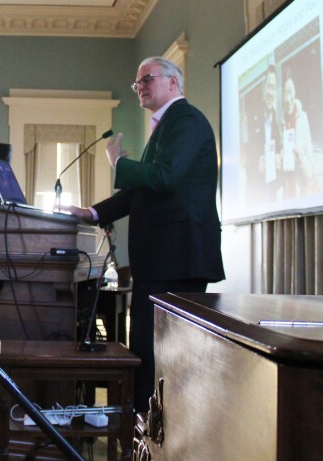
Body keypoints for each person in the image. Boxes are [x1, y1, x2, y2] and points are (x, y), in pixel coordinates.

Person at [61, 56, 225, 413]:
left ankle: (156, 432)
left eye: (147, 79)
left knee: (165, 358)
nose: (141, 87)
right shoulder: (166, 126)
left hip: (178, 260)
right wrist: (92, 213)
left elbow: (163, 178)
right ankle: (143, 429)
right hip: (162, 261)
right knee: (147, 353)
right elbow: (143, 191)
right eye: (138, 83)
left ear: (173, 82)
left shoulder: (187, 121)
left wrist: (119, 162)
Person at [247, 64, 283, 203]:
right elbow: (243, 157)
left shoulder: (277, 123)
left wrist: (280, 158)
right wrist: (257, 163)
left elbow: (279, 151)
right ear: (263, 89)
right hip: (255, 195)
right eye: (268, 87)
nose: (270, 92)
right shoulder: (251, 118)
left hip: (272, 195)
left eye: (273, 88)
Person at [281, 69, 316, 197]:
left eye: (290, 92)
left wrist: (301, 157)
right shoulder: (281, 122)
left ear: (295, 92)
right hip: (286, 195)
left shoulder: (303, 119)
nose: (288, 99)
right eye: (285, 94)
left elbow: (311, 171)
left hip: (302, 194)